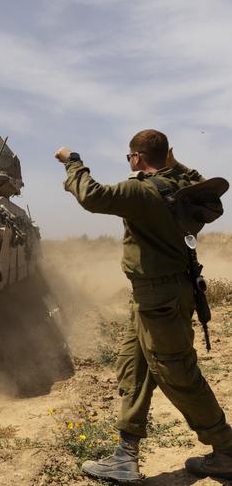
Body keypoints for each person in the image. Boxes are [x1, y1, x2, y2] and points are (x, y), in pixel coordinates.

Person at [54, 129, 232, 484]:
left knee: (177, 374)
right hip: (157, 296)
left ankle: (226, 450)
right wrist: (171, 160)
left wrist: (72, 162)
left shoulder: (140, 191)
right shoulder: (185, 188)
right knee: (133, 368)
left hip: (159, 299)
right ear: (168, 156)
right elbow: (197, 177)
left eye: (130, 158)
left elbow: (91, 195)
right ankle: (125, 454)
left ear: (136, 158)